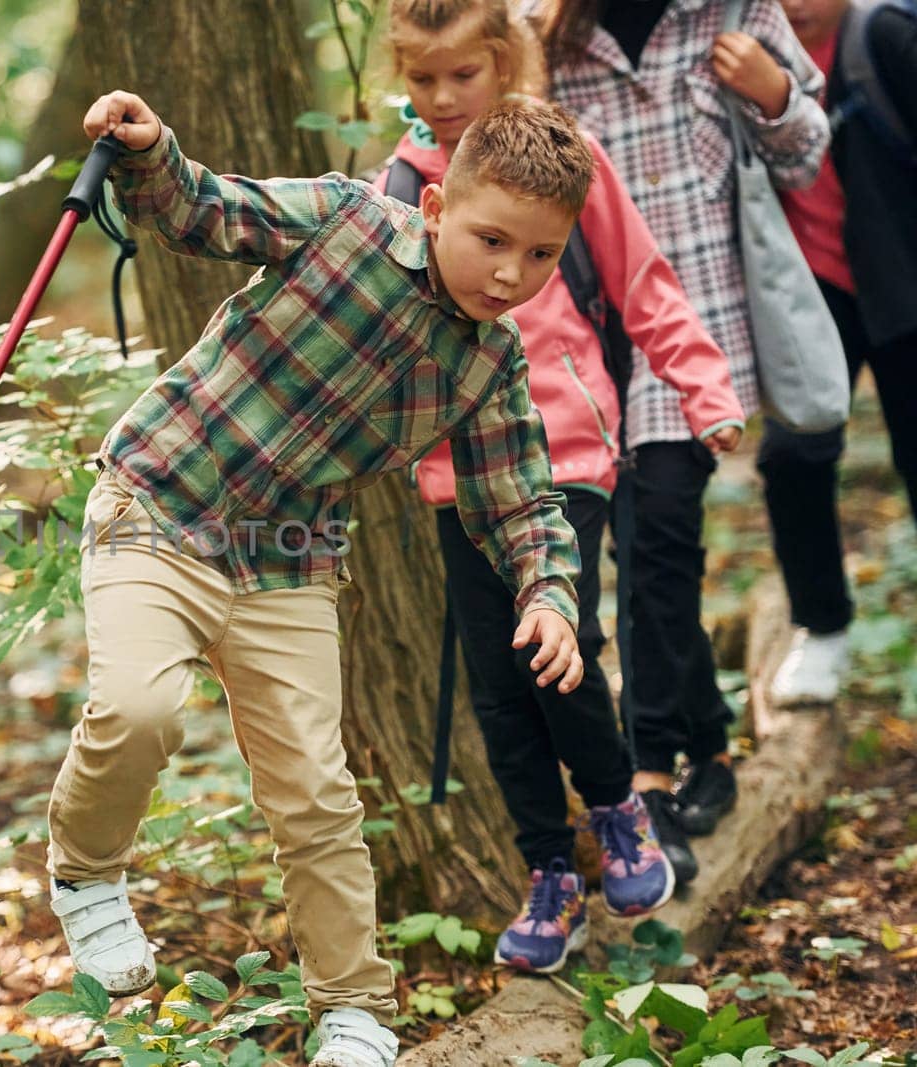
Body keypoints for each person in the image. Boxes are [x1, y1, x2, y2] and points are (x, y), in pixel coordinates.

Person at [49, 89, 595, 1067]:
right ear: (434, 209)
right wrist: (148, 150)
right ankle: (86, 874)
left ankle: (350, 1005)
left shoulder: (486, 366)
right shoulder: (343, 219)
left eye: (542, 254)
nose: (511, 273)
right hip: (159, 502)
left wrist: (548, 593)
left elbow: (519, 502)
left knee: (316, 788)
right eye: (491, 239)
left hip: (288, 561)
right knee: (140, 704)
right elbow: (203, 208)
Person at [376, 0, 747, 970]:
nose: (445, 98)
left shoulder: (562, 157)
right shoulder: (402, 184)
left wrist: (703, 386)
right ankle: (549, 869)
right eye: (424, 80)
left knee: (564, 641)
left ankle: (617, 804)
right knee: (498, 688)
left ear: (504, 62)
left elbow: (642, 281)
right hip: (453, 471)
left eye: (464, 74)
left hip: (565, 447)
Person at [531, 0, 830, 846]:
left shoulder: (735, 14)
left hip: (694, 330)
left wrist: (772, 94)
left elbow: (808, 157)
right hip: (576, 342)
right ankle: (708, 735)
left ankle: (650, 768)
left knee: (659, 529)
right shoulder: (541, 32)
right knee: (632, 546)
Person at [760, 0, 917, 705]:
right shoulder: (744, 53)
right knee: (793, 453)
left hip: (906, 281)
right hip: (814, 284)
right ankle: (821, 628)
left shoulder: (880, 36)